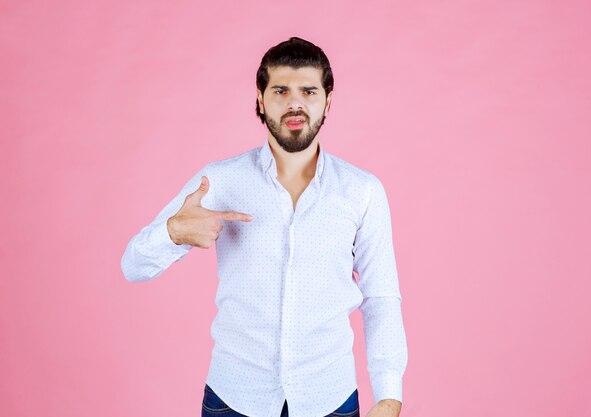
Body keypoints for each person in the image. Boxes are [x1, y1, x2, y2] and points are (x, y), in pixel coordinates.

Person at [121, 37, 408, 417]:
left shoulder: (363, 191)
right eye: (280, 90)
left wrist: (389, 395)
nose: (295, 103)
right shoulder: (219, 181)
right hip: (233, 398)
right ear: (260, 98)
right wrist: (172, 233)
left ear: (328, 100)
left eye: (308, 90)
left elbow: (381, 297)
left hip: (329, 398)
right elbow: (132, 266)